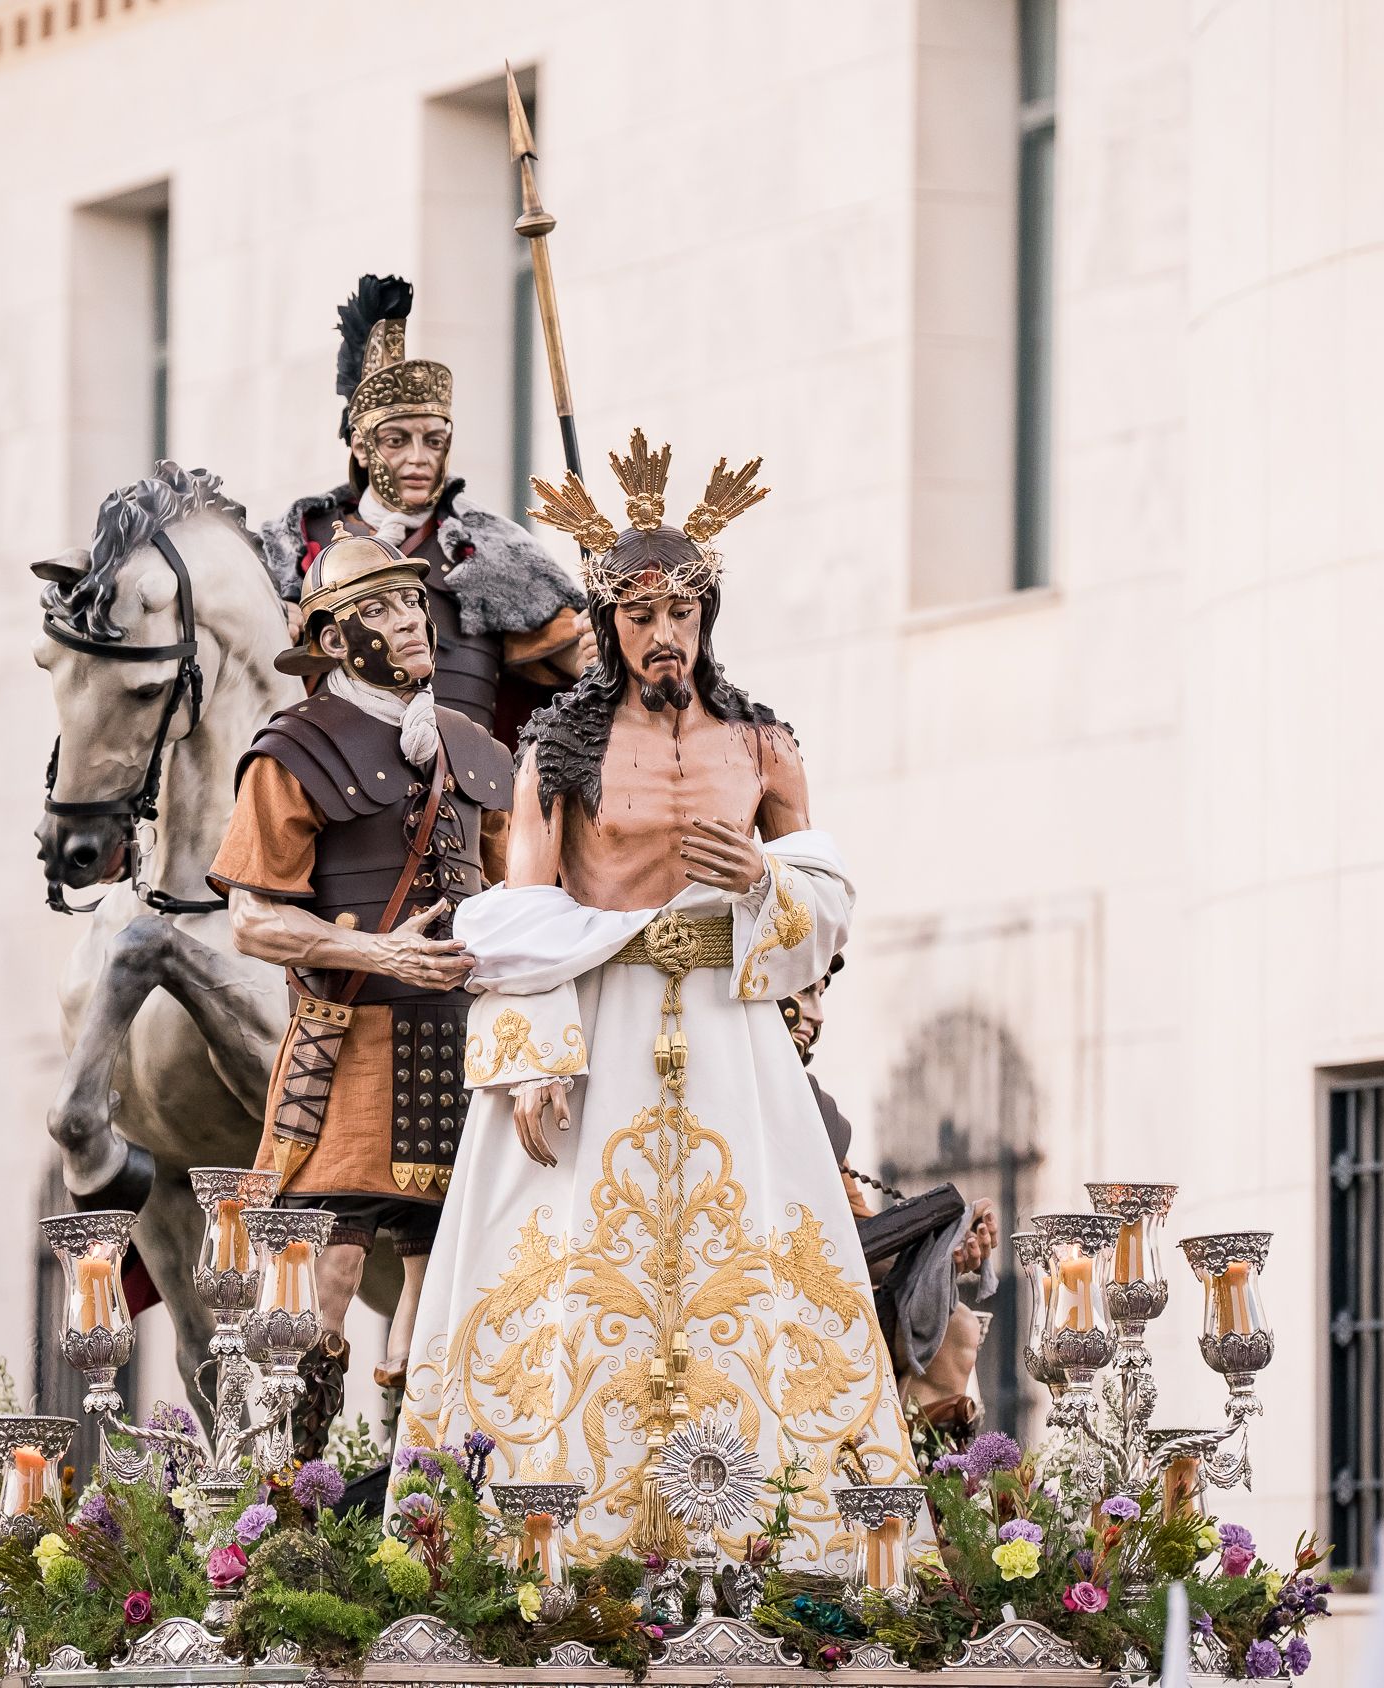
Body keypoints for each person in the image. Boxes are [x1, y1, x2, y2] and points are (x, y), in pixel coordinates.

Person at [400, 432, 909, 1561]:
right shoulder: (558, 750)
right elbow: (520, 919)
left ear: (708, 616)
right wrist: (531, 1056)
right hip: (606, 1026)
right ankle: (550, 1545)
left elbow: (828, 902)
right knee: (571, 1278)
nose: (664, 633)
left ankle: (780, 1542)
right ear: (605, 621)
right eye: (640, 614)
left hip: (730, 1035)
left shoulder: (765, 747)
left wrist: (764, 880)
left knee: (762, 1272)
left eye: (683, 611)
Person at [207, 524, 517, 1459]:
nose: (411, 620)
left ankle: (409, 1505)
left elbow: (515, 898)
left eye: (413, 601)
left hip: (463, 1047)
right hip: (350, 1047)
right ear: (335, 641)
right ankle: (284, 1511)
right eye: (379, 607)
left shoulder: (471, 746)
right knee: (316, 1286)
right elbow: (254, 919)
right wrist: (383, 955)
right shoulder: (294, 750)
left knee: (441, 1286)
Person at [257, 275, 591, 744]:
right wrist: (278, 615)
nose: (418, 458)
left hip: (471, 788)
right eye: (397, 440)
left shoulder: (492, 547)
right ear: (360, 446)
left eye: (433, 441)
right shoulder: (296, 543)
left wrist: (589, 654)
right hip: (335, 780)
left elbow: (556, 648)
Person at [784, 961, 999, 1456]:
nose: (815, 1015)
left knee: (957, 1328)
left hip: (822, 1306)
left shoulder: (817, 1114)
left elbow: (861, 1239)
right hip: (748, 1310)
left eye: (821, 995)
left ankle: (928, 1504)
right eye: (802, 993)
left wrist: (947, 1246)